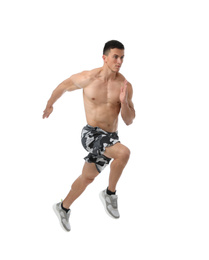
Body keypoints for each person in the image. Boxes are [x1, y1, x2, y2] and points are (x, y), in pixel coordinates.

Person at [43, 40, 135, 232]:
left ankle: (63, 207)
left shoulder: (124, 85)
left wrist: (124, 102)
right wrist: (50, 104)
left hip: (111, 137)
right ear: (105, 57)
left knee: (87, 178)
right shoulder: (88, 78)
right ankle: (110, 193)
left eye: (122, 57)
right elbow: (62, 86)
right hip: (91, 134)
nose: (119, 61)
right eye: (115, 56)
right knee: (123, 153)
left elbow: (129, 120)